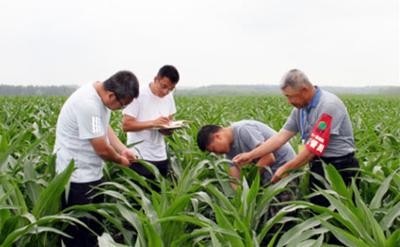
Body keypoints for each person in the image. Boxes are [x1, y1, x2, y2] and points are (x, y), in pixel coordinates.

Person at [233, 69, 359, 206]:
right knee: (318, 210)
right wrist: (251, 155)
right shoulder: (300, 110)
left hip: (340, 167)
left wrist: (286, 168)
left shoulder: (328, 105)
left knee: (341, 215)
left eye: (290, 96)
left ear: (304, 90)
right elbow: (281, 137)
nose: (289, 101)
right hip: (318, 165)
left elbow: (313, 148)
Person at [54, 70, 139, 246]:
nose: (121, 109)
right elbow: (101, 149)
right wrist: (120, 160)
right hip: (76, 178)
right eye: (122, 105)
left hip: (92, 174)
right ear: (111, 95)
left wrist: (123, 149)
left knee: (93, 231)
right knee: (77, 237)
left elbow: (103, 127)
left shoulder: (99, 96)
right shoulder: (88, 104)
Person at [197, 120, 296, 190]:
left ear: (217, 137)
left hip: (284, 166)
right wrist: (240, 196)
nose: (217, 154)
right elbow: (234, 177)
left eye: (214, 149)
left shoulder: (243, 130)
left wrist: (249, 182)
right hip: (268, 173)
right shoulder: (228, 150)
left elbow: (268, 158)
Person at [122, 65, 179, 181]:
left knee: (160, 194)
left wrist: (167, 129)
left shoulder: (169, 97)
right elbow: (126, 125)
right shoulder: (138, 95)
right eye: (163, 86)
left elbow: (168, 124)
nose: (166, 92)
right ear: (155, 79)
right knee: (140, 197)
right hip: (139, 157)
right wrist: (153, 123)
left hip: (160, 155)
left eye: (171, 89)